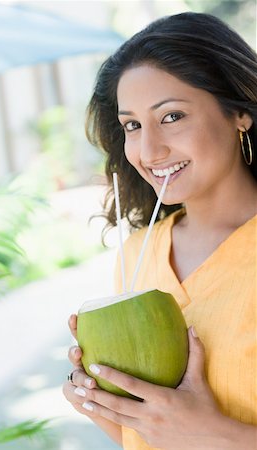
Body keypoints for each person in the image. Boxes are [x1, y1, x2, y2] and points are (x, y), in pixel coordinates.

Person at [63, 12, 257, 450]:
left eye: (171, 116)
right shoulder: (138, 253)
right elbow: (152, 439)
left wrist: (217, 433)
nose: (149, 150)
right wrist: (98, 402)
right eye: (132, 125)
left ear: (239, 112)